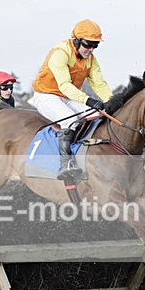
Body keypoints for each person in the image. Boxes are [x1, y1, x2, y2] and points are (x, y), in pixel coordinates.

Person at [31, 19, 113, 180]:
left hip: (65, 98)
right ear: (76, 40)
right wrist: (88, 100)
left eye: (95, 45)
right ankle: (65, 163)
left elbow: (99, 84)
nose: (91, 49)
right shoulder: (60, 53)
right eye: (88, 44)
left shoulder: (91, 59)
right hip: (45, 96)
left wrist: (112, 102)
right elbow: (64, 86)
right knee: (71, 121)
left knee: (96, 115)